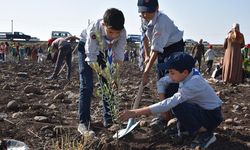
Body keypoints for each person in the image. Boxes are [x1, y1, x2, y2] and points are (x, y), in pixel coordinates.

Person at [119, 52, 223, 149]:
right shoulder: (188, 73)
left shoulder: (194, 83)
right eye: (168, 72)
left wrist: (135, 112)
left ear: (185, 72)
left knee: (177, 105)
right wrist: (162, 99)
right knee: (174, 97)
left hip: (212, 116)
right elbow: (162, 82)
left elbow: (168, 103)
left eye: (172, 73)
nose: (169, 75)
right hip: (203, 110)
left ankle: (205, 134)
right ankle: (188, 127)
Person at [76, 8, 126, 136]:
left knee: (108, 85)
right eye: (110, 32)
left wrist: (115, 75)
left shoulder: (122, 32)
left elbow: (119, 56)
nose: (114, 35)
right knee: (87, 85)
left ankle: (109, 120)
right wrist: (106, 75)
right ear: (104, 25)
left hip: (104, 51)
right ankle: (84, 123)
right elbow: (91, 59)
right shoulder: (94, 29)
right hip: (87, 51)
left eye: (117, 33)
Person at [137, 0, 184, 125]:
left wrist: (146, 71)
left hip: (174, 48)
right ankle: (165, 114)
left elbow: (156, 49)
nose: (145, 14)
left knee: (172, 80)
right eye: (143, 11)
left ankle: (176, 116)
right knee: (161, 78)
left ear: (157, 8)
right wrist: (146, 55)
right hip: (161, 49)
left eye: (149, 11)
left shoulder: (162, 22)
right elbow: (145, 36)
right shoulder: (143, 17)